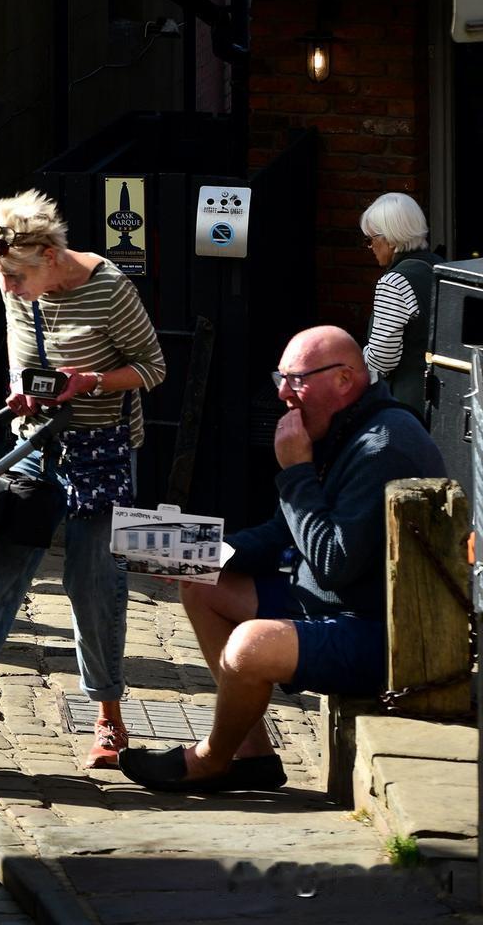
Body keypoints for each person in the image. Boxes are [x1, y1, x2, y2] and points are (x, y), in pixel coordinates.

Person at [121, 325, 446, 795]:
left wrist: (295, 472)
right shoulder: (341, 427)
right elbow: (282, 532)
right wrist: (190, 552)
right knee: (201, 584)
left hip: (382, 632)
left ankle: (211, 761)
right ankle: (251, 755)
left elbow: (333, 563)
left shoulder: (381, 447)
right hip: (331, 603)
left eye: (296, 380)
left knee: (250, 646)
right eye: (282, 378)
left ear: (344, 379)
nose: (282, 393)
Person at [0, 190, 166, 770]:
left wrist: (91, 381)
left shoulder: (110, 290)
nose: (8, 287)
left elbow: (153, 368)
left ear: (50, 255)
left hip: (102, 451)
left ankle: (109, 720)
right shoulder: (14, 281)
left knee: (94, 583)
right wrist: (22, 390)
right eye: (0, 274)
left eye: (16, 276)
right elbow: (21, 356)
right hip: (36, 446)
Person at [360, 193, 436, 411]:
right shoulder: (440, 266)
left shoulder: (393, 282)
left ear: (391, 239)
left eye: (370, 239)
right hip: (440, 398)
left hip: (406, 404)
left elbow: (382, 359)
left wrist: (359, 359)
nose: (370, 247)